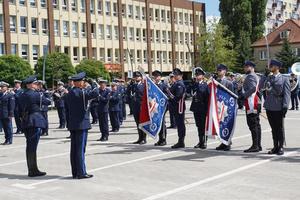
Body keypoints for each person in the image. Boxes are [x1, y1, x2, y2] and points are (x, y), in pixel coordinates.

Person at [64, 72, 99, 179]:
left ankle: (75, 171)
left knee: (74, 149)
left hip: (73, 123)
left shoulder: (69, 93)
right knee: (80, 149)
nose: (84, 83)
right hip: (81, 124)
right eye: (83, 81)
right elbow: (95, 93)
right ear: (79, 82)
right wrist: (93, 83)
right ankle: (81, 172)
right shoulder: (80, 93)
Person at [18, 75, 51, 177]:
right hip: (35, 121)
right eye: (36, 84)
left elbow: (18, 110)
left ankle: (33, 169)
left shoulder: (22, 95)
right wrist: (44, 92)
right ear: (31, 85)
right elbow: (48, 101)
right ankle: (32, 170)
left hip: (26, 121)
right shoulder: (36, 95)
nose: (37, 85)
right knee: (32, 147)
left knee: (30, 146)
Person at [264, 60, 290, 155]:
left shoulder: (284, 79)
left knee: (279, 128)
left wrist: (285, 106)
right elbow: (263, 87)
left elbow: (287, 94)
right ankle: (275, 146)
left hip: (278, 106)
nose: (270, 66)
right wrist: (265, 75)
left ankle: (281, 147)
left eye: (272, 65)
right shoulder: (268, 77)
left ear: (277, 67)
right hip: (269, 105)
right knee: (273, 128)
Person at [239, 61, 262, 153]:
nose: (245, 68)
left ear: (252, 67)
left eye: (247, 67)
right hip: (255, 103)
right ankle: (258, 145)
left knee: (253, 124)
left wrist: (243, 96)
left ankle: (255, 146)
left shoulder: (251, 76)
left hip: (253, 103)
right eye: (245, 67)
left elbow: (252, 89)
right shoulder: (254, 76)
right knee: (256, 124)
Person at [215, 64, 234, 151]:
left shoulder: (229, 82)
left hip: (226, 107)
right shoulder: (216, 81)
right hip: (219, 106)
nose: (219, 71)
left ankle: (228, 143)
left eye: (221, 70)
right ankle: (223, 142)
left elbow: (232, 95)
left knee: (227, 124)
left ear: (225, 71)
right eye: (218, 70)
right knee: (221, 125)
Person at [190, 67, 209, 149]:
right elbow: (189, 92)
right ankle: (200, 141)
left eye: (199, 75)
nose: (197, 76)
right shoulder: (194, 84)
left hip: (203, 108)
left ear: (202, 76)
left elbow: (207, 97)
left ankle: (204, 142)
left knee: (204, 126)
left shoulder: (205, 85)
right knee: (198, 125)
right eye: (196, 75)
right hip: (196, 107)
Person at [167, 68, 186, 149]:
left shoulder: (179, 84)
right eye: (174, 74)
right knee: (179, 124)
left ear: (181, 76)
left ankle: (181, 141)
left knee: (180, 125)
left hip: (179, 107)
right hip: (175, 107)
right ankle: (180, 141)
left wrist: (168, 93)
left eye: (177, 75)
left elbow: (178, 97)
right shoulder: (176, 83)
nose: (175, 76)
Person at [152, 70, 168, 146]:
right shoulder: (153, 85)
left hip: (162, 108)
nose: (156, 78)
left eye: (157, 76)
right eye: (155, 76)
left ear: (160, 77)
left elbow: (168, 95)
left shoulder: (164, 85)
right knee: (158, 123)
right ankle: (160, 139)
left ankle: (163, 139)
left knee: (162, 124)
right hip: (155, 108)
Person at [132, 71, 147, 145]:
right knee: (137, 123)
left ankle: (144, 138)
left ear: (141, 77)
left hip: (141, 106)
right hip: (135, 107)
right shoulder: (133, 85)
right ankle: (140, 138)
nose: (136, 78)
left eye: (138, 76)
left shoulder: (144, 85)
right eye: (135, 76)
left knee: (142, 123)